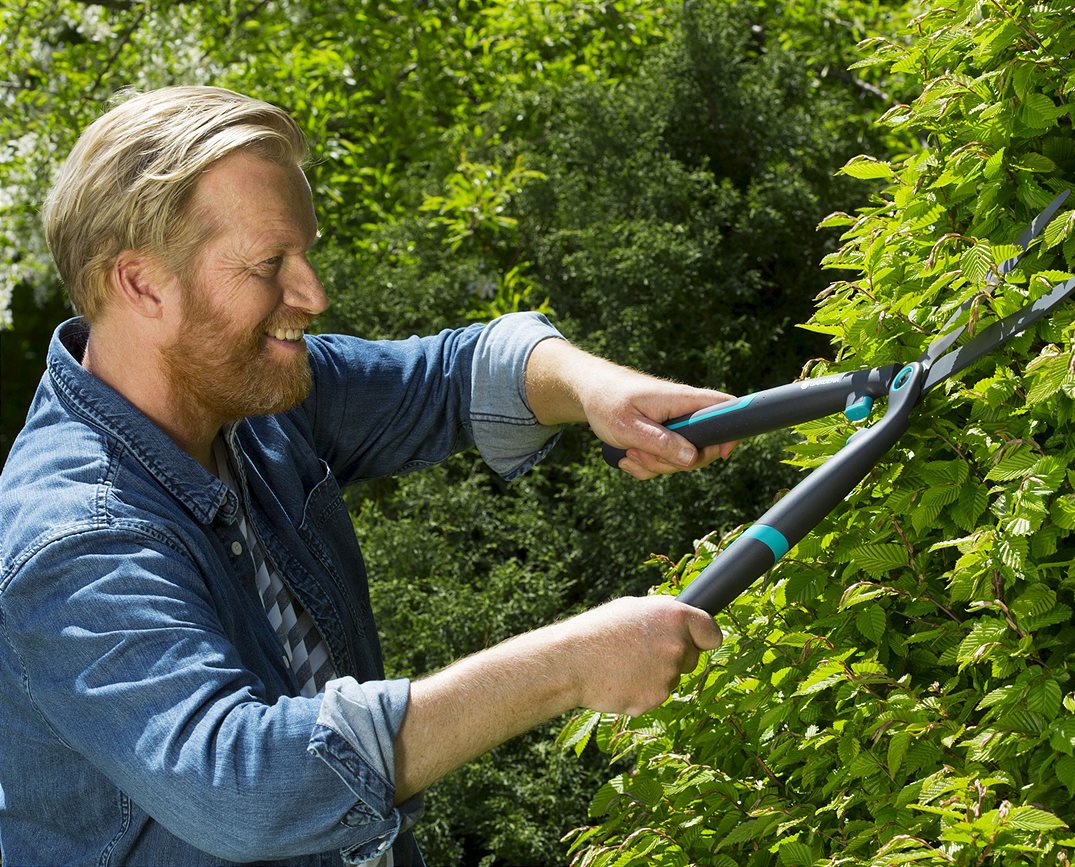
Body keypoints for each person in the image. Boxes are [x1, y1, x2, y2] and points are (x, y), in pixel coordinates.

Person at [0, 86, 734, 866]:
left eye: (305, 252)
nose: (311, 294)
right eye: (269, 263)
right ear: (141, 283)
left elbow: (456, 374)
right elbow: (245, 783)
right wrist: (566, 667)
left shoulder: (247, 392)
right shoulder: (79, 537)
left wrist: (595, 390)